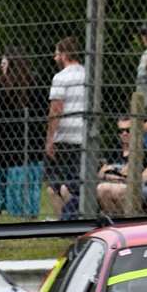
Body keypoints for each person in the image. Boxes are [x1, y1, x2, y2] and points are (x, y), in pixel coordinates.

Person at [0, 50, 42, 224]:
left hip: (21, 150)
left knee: (17, 187)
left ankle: (26, 223)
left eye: (4, 64)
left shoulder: (31, 88)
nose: (1, 67)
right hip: (5, 149)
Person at [45, 36, 87, 220]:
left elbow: (56, 110)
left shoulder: (61, 78)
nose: (55, 58)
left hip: (65, 137)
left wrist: (50, 139)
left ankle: (65, 220)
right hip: (84, 135)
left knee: (57, 185)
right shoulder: (87, 74)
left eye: (57, 54)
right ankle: (76, 215)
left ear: (64, 55)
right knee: (78, 181)